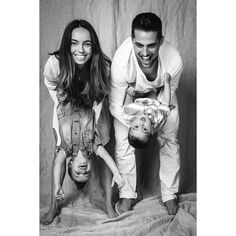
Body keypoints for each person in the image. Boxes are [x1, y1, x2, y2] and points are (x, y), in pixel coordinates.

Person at [40, 19, 121, 225]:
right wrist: (61, 103)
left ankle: (109, 205)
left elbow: (102, 93)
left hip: (94, 109)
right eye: (74, 43)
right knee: (59, 152)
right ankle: (53, 206)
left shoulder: (103, 66)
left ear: (93, 46)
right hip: (66, 109)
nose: (81, 50)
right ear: (67, 45)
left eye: (87, 43)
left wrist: (93, 115)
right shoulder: (55, 64)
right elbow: (49, 81)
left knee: (104, 150)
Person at [109, 12, 183, 215]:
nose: (145, 52)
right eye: (139, 45)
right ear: (132, 40)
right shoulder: (121, 63)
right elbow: (115, 106)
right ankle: (127, 193)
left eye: (151, 45)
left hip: (161, 97)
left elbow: (166, 100)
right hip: (129, 101)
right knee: (123, 139)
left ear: (161, 41)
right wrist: (136, 121)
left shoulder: (173, 60)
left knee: (170, 139)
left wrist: (151, 123)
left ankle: (170, 194)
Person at [123, 72, 172, 148]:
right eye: (145, 129)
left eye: (136, 126)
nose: (141, 124)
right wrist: (167, 83)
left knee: (133, 83)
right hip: (153, 95)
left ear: (130, 125)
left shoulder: (128, 116)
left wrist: (129, 95)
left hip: (138, 95)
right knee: (163, 100)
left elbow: (128, 105)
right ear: (151, 131)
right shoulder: (157, 118)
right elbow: (165, 103)